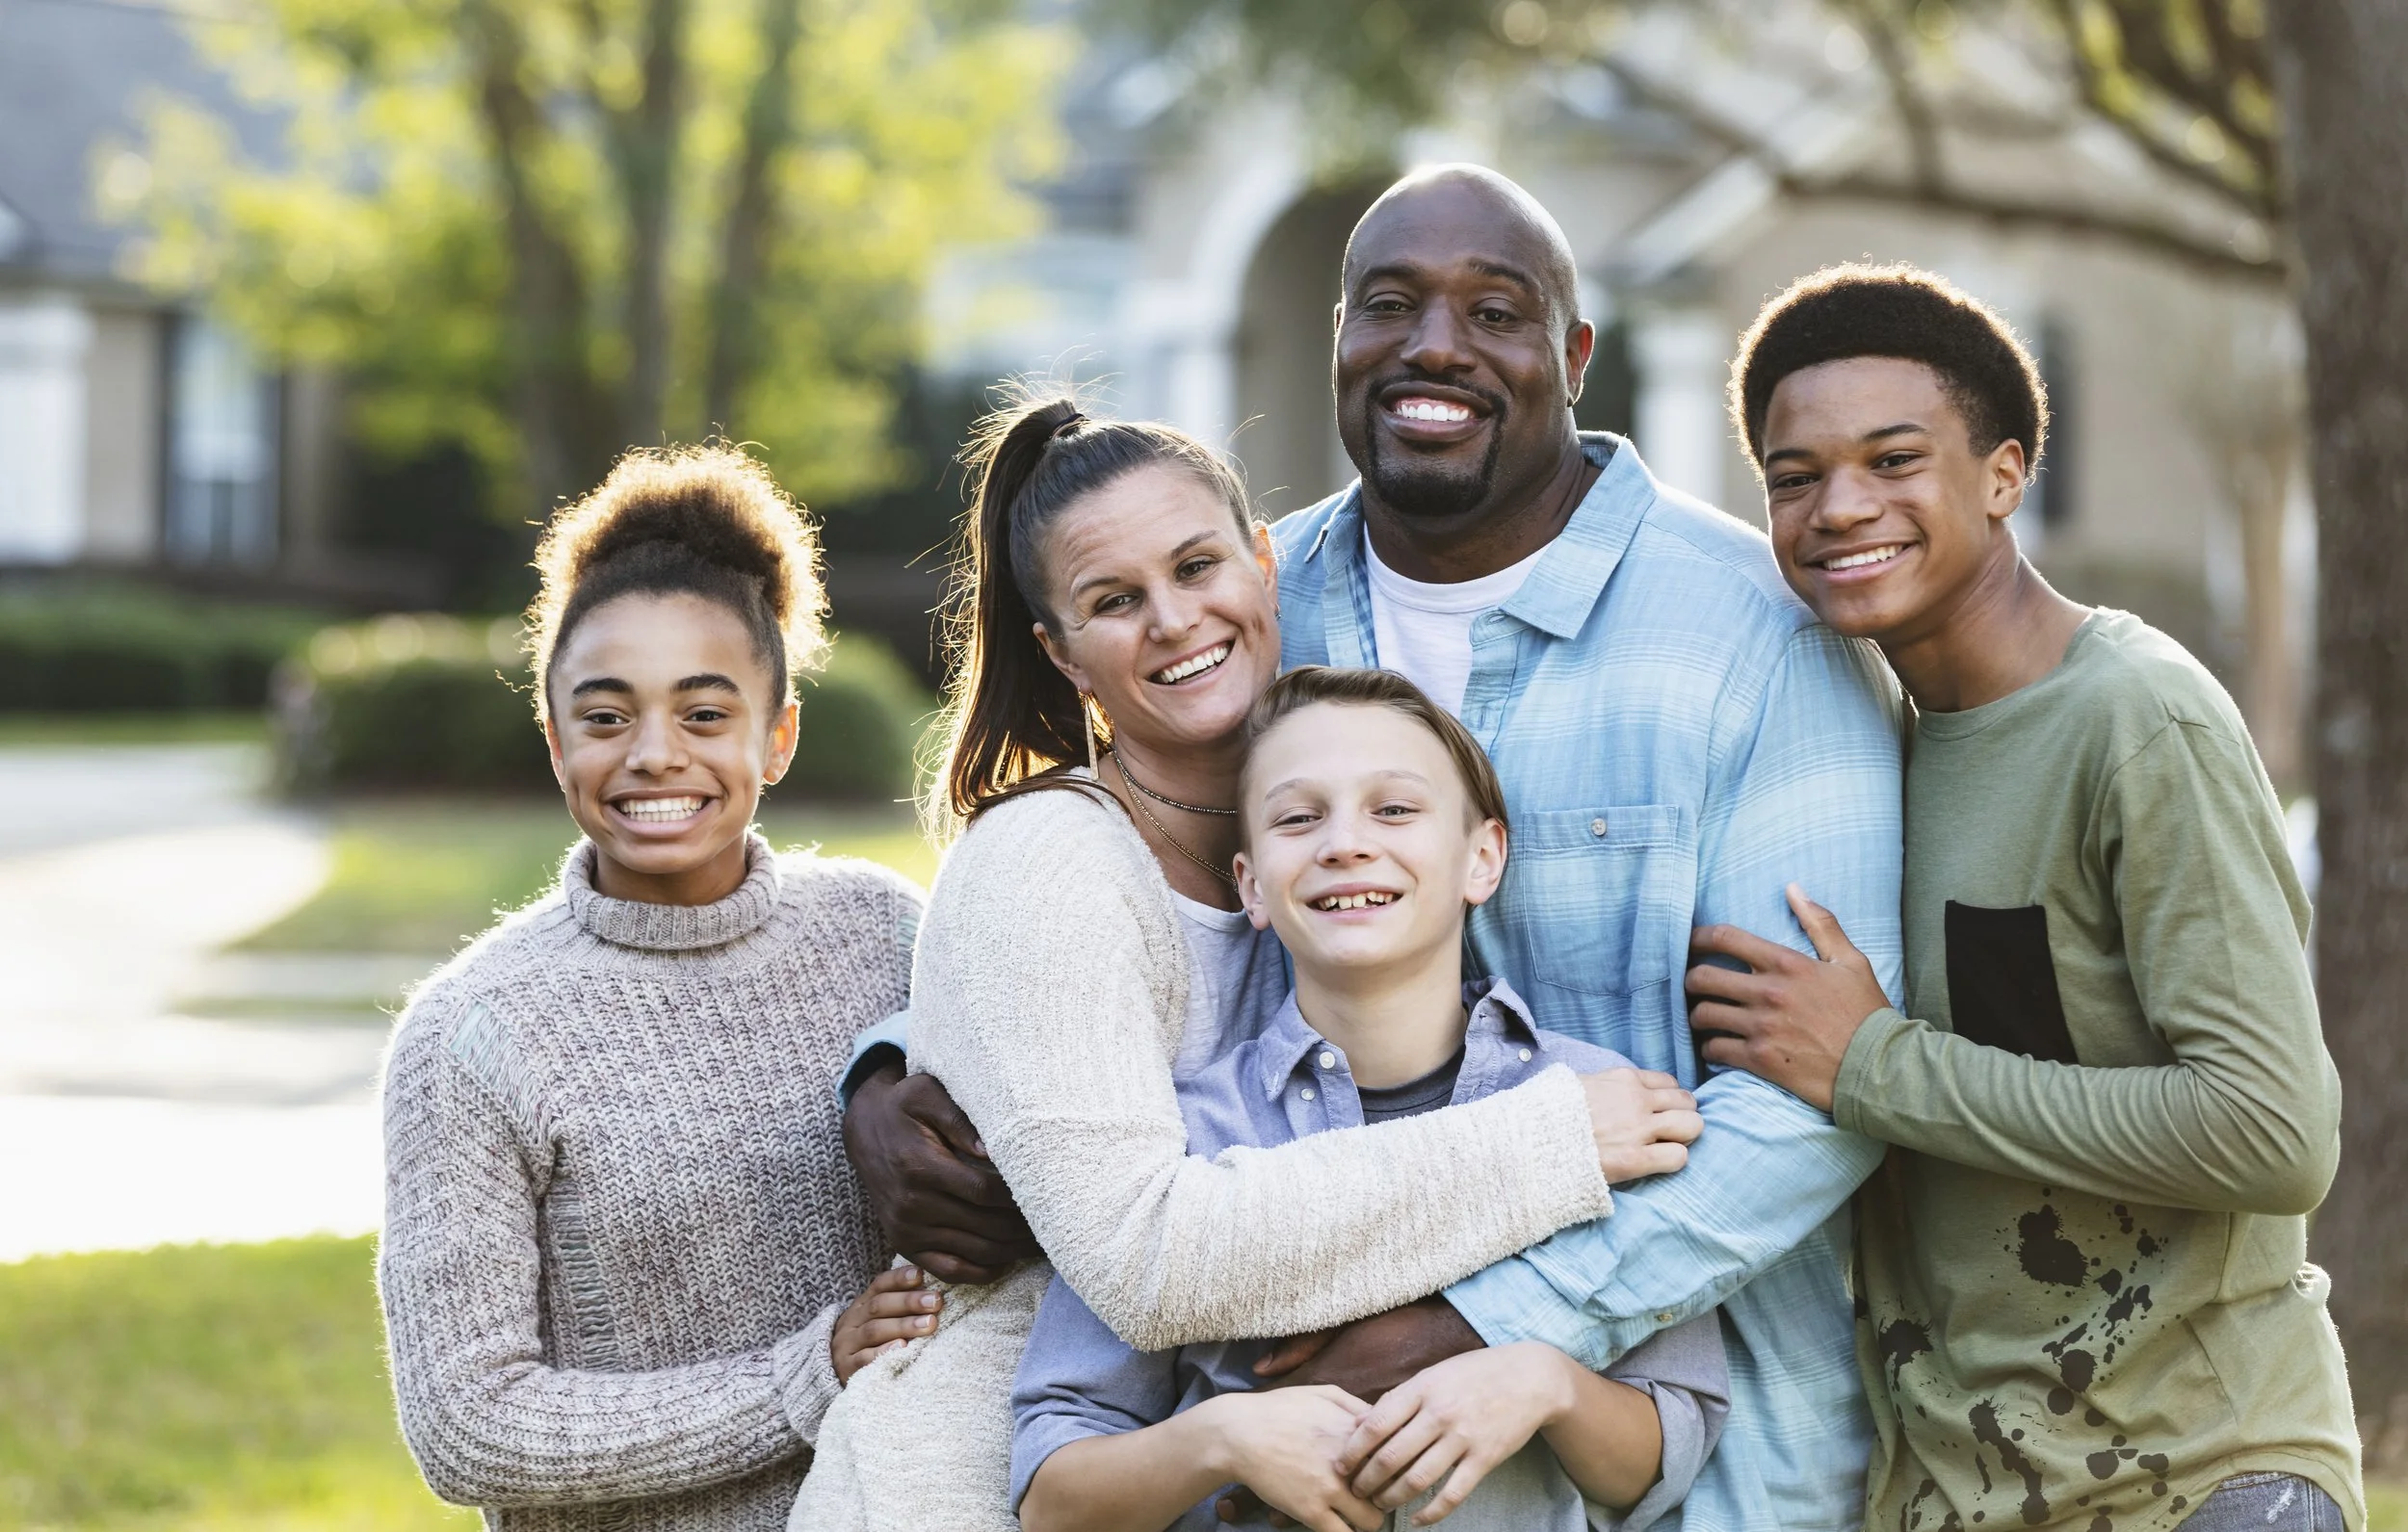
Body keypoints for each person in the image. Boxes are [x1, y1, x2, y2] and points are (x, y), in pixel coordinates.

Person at [790, 399, 1703, 1531]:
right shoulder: (1049, 859)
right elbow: (1145, 1258)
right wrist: (1555, 1141)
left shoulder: (1315, 808)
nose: (1174, 619)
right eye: (1114, 601)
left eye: (1196, 565)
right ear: (1060, 652)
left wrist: (875, 1063)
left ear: (1264, 563)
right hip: (971, 1482)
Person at [1235, 166, 1907, 1531]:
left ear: (1574, 357)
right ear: (1339, 339)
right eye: (1389, 305)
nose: (1434, 346)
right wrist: (905, 1059)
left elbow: (1808, 1104)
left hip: (1701, 1479)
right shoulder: (1248, 606)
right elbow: (1109, 872)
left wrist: (1483, 1318)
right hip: (1290, 1453)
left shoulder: (1756, 634)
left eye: (1496, 310)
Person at [1687, 263, 2362, 1532]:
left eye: (1895, 459)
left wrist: (1877, 1063)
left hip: (2208, 1473)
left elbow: (2276, 1129)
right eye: (1795, 476)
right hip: (1953, 1488)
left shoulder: (2137, 723)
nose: (1841, 506)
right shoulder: (1845, 743)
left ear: (2004, 475)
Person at [1013, 665, 1730, 1532]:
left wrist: (1543, 1381)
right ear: (1250, 884)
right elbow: (1053, 1497)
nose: (1345, 843)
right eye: (1297, 816)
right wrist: (1220, 1436)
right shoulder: (1187, 1141)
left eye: (1394, 809)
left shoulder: (1595, 1108)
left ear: (1482, 857)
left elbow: (1669, 1446)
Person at [377, 445, 930, 1532]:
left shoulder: (887, 935)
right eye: (607, 715)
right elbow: (467, 1423)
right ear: (555, 742)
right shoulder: (474, 1037)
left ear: (778, 735)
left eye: (705, 713)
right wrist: (802, 1375)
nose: (654, 755)